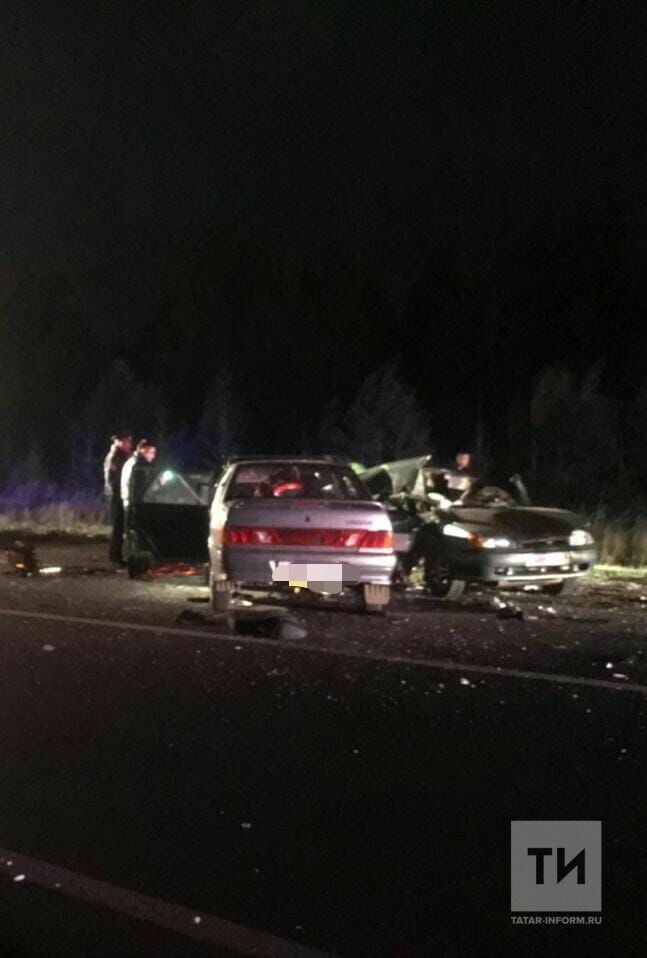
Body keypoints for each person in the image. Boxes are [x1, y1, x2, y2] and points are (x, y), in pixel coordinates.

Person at [104, 434, 133, 565]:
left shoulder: (123, 457)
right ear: (119, 442)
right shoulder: (115, 458)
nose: (129, 444)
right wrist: (119, 493)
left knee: (121, 527)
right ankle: (115, 556)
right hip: (117, 496)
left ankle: (118, 555)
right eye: (126, 442)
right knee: (118, 527)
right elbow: (113, 479)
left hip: (120, 495)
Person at [120, 439, 158, 510]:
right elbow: (140, 486)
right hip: (135, 504)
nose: (153, 456)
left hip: (133, 503)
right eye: (151, 452)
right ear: (142, 450)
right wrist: (158, 484)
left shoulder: (135, 462)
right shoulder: (137, 465)